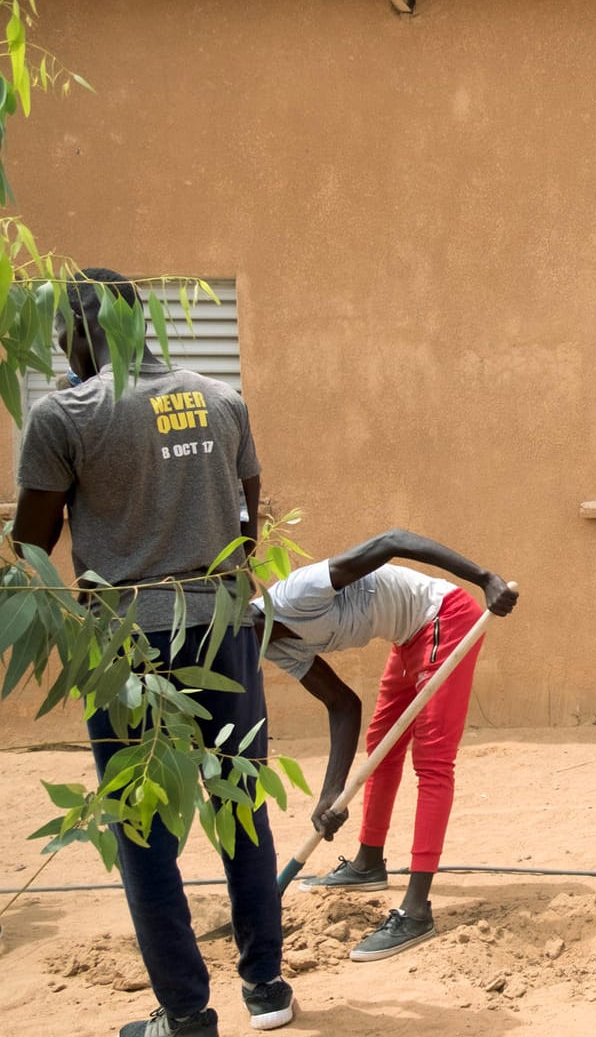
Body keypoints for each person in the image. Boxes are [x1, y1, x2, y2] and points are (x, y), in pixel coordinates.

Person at [12, 269, 295, 1035]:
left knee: (142, 829)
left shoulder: (64, 415)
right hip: (227, 624)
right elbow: (247, 525)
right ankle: (266, 986)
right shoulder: (222, 397)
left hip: (131, 647)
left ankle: (184, 1012)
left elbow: (31, 552)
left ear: (77, 330)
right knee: (239, 799)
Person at [251, 529, 517, 961]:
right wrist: (331, 793)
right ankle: (368, 863)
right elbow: (341, 703)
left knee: (431, 759)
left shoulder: (298, 594)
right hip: (409, 634)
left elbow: (391, 541)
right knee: (381, 745)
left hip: (443, 617)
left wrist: (484, 578)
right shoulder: (272, 646)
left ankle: (416, 911)